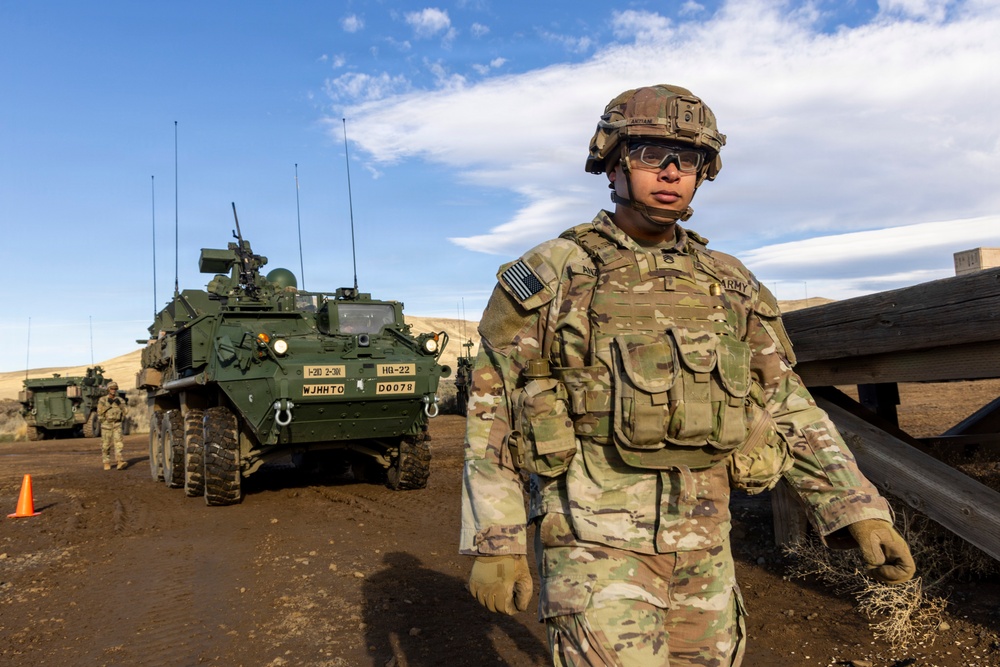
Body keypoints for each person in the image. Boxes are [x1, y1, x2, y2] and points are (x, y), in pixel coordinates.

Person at [460, 84, 916, 666]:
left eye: (690, 158)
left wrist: (857, 508)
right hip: (594, 549)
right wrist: (496, 541)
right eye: (652, 153)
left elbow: (785, 402)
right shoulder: (553, 275)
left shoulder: (728, 283)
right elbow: (492, 410)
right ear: (612, 160)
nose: (672, 171)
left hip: (706, 550)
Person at [97, 381, 127, 470]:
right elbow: (99, 412)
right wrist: (108, 405)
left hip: (117, 424)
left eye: (115, 389)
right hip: (106, 424)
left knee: (119, 444)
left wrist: (120, 405)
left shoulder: (120, 400)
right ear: (108, 389)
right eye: (112, 389)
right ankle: (106, 462)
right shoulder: (103, 400)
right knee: (106, 445)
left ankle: (119, 461)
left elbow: (125, 411)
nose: (113, 390)